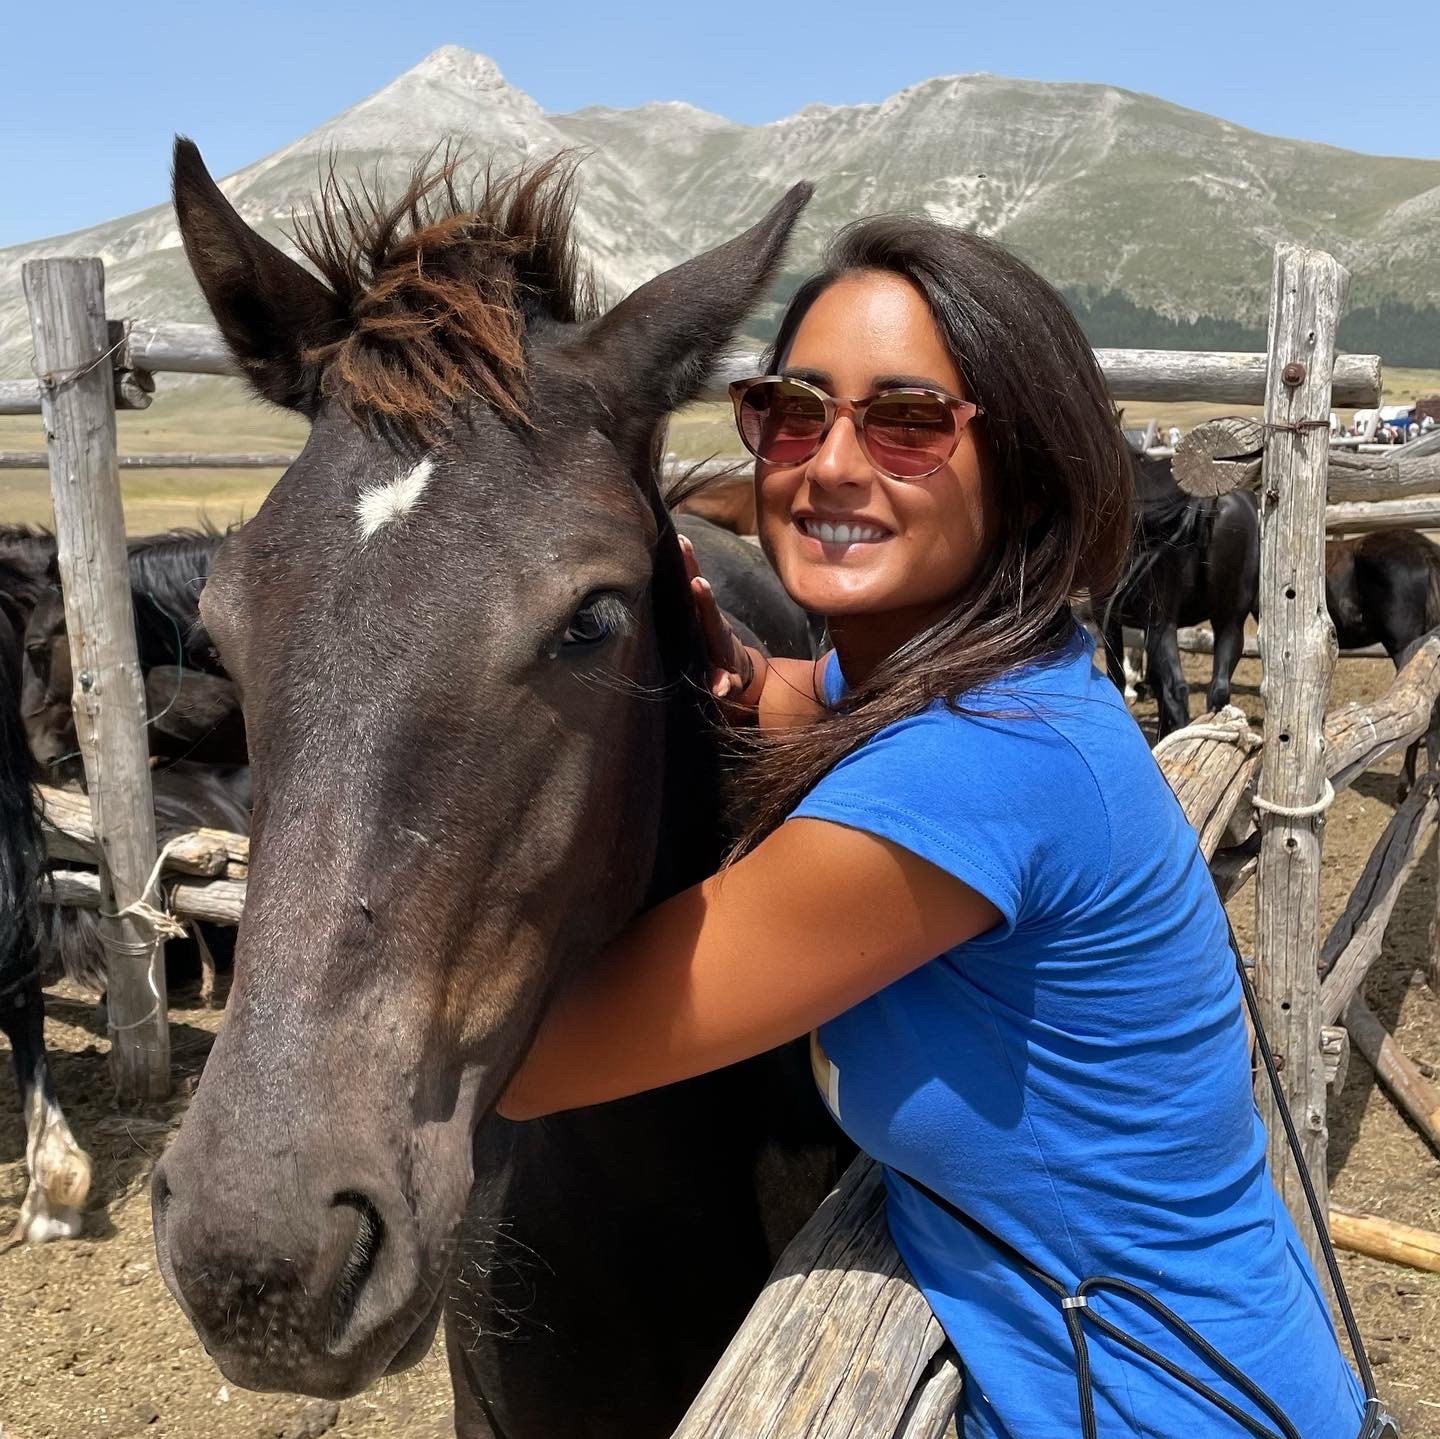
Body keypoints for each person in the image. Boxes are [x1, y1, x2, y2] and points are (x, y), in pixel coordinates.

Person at [498, 217, 1367, 1438]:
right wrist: (738, 671)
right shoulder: (991, 674)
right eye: (793, 411)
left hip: (1150, 1404)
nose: (832, 463)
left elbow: (534, 1061)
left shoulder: (971, 773)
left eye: (906, 421)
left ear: (1024, 461)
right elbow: (820, 702)